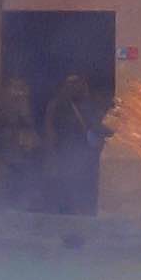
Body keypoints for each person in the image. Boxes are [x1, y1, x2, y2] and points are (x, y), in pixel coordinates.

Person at [43, 70, 105, 216]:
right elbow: (50, 126)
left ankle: (73, 207)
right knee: (66, 178)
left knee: (77, 178)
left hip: (80, 148)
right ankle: (66, 207)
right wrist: (51, 148)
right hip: (65, 147)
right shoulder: (58, 103)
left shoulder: (85, 103)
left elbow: (94, 123)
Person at [0, 73, 40, 207]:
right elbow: (26, 119)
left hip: (0, 140)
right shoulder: (20, 100)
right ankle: (16, 200)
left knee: (4, 170)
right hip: (15, 140)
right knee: (19, 171)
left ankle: (3, 201)